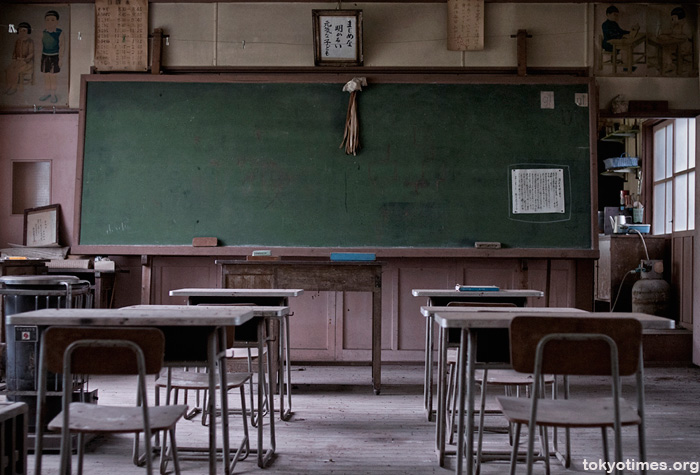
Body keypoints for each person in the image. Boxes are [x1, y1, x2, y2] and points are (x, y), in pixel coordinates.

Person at [658, 7, 694, 73]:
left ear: (680, 17)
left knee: (667, 48)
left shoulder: (685, 25)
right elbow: (671, 32)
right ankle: (669, 64)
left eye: (674, 18)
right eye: (672, 18)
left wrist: (672, 36)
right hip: (677, 44)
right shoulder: (675, 25)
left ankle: (669, 65)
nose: (673, 19)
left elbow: (686, 36)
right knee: (665, 47)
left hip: (685, 46)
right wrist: (664, 33)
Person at [39, 10, 65, 103]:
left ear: (57, 21)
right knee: (46, 76)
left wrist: (60, 59)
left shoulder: (59, 32)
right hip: (45, 56)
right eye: (48, 20)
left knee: (53, 76)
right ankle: (47, 93)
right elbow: (41, 45)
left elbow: (62, 46)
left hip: (55, 57)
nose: (50, 22)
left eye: (53, 20)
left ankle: (53, 94)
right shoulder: (43, 32)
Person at [4, 22, 34, 95]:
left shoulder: (30, 42)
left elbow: (31, 53)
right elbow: (14, 52)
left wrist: (25, 59)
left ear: (27, 31)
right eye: (20, 31)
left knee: (16, 71)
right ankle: (9, 86)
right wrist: (14, 58)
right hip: (17, 61)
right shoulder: (18, 41)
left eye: (24, 30)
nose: (22, 32)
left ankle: (14, 87)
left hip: (26, 63)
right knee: (9, 69)